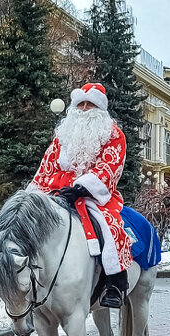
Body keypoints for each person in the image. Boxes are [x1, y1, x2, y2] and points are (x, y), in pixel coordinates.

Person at [30, 83, 131, 308]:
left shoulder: (114, 135)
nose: (85, 109)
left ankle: (115, 282)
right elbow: (47, 165)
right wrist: (36, 193)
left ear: (100, 108)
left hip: (91, 195)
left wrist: (82, 187)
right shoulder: (61, 136)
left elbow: (110, 166)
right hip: (55, 192)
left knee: (110, 225)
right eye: (81, 104)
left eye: (90, 104)